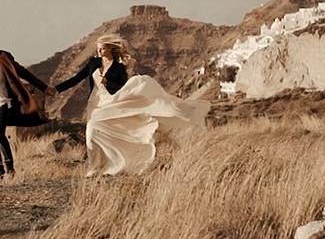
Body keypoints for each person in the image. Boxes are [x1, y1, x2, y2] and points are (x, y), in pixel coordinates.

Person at [55, 34, 210, 177]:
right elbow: (76, 79)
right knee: (92, 133)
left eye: (102, 48)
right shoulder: (93, 63)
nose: (99, 51)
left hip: (112, 101)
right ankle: (96, 167)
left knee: (95, 130)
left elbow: (120, 87)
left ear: (111, 48)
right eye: (97, 48)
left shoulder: (119, 67)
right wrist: (55, 89)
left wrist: (108, 82)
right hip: (95, 103)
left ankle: (111, 164)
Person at [0, 50, 55, 178]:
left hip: (2, 102)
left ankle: (9, 169)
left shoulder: (3, 57)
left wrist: (44, 87)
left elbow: (24, 73)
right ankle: (3, 170)